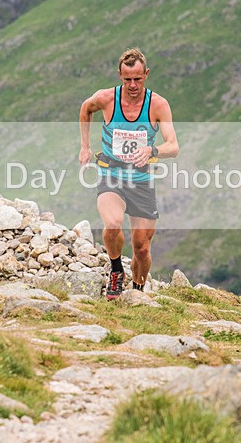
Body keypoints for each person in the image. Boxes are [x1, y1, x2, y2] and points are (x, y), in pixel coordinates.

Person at [79, 48, 179, 300]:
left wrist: (152, 149)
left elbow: (173, 146)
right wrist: (85, 147)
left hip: (142, 181)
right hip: (111, 175)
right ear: (119, 76)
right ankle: (115, 271)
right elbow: (85, 108)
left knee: (142, 248)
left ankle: (137, 292)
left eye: (138, 79)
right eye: (127, 80)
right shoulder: (106, 98)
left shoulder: (158, 104)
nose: (132, 85)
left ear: (146, 74)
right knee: (112, 225)